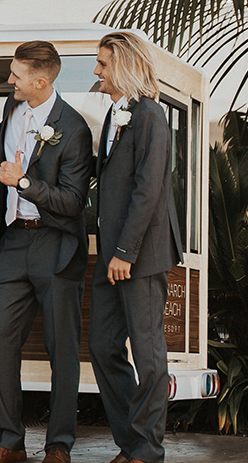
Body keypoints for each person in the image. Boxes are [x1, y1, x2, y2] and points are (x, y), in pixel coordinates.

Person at [0, 41, 92, 463]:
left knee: (62, 349)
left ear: (41, 81)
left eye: (17, 76)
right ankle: (9, 442)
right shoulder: (10, 111)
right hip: (12, 243)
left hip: (55, 245)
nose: (11, 81)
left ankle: (59, 444)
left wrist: (24, 183)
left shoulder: (75, 129)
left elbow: (73, 202)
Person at [90, 31, 182, 463]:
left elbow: (149, 190)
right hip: (111, 253)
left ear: (124, 65)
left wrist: (125, 252)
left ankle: (146, 450)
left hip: (138, 257)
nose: (97, 71)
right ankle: (132, 441)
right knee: (102, 346)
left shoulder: (150, 116)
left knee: (148, 356)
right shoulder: (115, 114)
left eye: (103, 64)